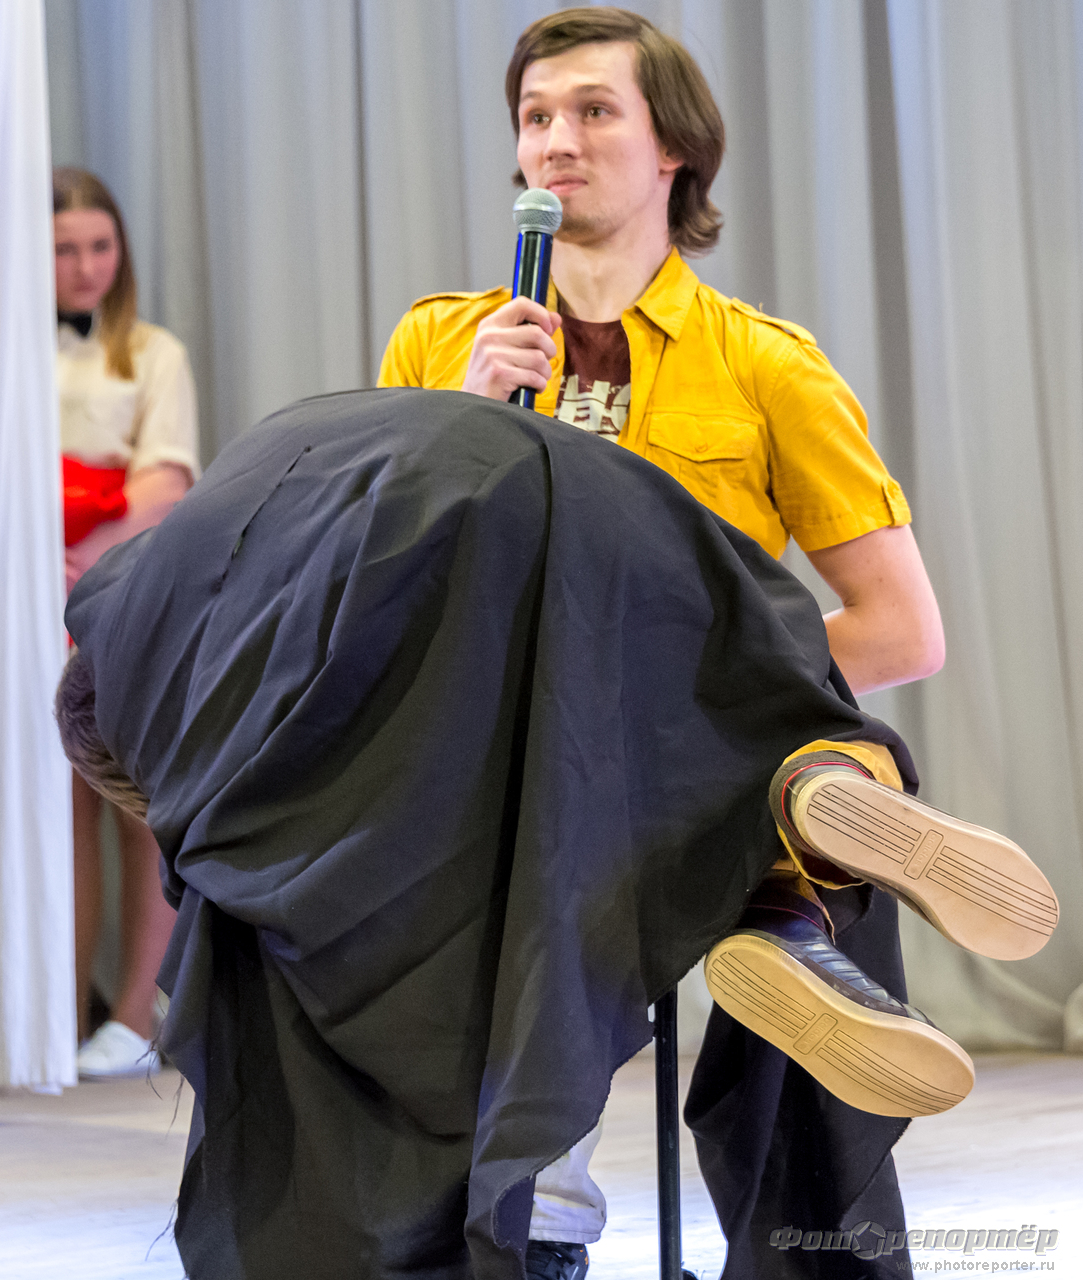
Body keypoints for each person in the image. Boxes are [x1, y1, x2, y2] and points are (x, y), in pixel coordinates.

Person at [55, 389, 1054, 1280]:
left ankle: (537, 1220)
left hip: (428, 572)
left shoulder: (161, 696)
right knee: (748, 724)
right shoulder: (194, 549)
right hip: (586, 491)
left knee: (477, 903)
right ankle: (793, 892)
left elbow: (242, 841)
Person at [375, 11, 1054, 1277]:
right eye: (535, 116)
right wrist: (463, 419)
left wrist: (694, 701)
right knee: (623, 805)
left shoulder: (765, 366)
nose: (555, 141)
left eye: (593, 111)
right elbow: (383, 597)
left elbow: (903, 625)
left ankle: (787, 911)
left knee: (809, 734)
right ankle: (788, 917)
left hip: (689, 761)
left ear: (674, 147)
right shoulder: (438, 347)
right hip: (502, 760)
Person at [53, 167, 200, 1078]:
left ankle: (140, 1015)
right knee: (54, 811)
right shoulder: (3, 353)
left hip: (116, 592)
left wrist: (80, 554)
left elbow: (166, 481)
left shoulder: (154, 353)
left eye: (100, 246)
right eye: (64, 250)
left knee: (132, 799)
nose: (85, 267)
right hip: (22, 600)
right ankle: (59, 1010)